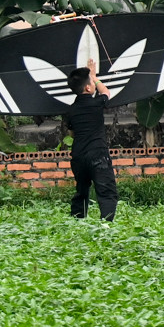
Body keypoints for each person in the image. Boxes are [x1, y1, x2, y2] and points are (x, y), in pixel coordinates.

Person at [66, 61, 117, 223]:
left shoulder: (71, 110)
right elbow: (106, 92)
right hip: (98, 154)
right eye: (91, 83)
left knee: (81, 191)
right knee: (106, 191)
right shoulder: (96, 103)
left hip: (79, 156)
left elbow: (72, 133)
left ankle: (77, 222)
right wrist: (95, 77)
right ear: (88, 88)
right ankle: (106, 225)